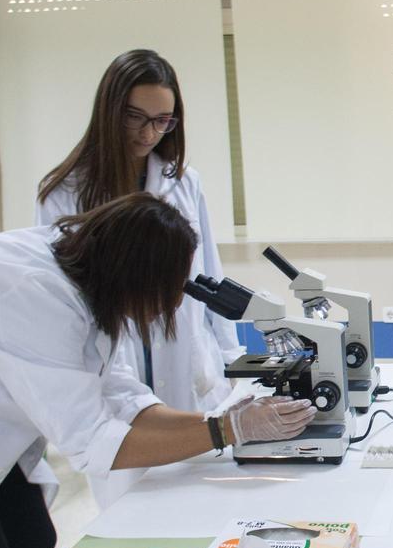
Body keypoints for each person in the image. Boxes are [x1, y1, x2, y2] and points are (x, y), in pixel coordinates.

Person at [0, 194, 315, 548]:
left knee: (32, 542)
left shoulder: (88, 273)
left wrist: (227, 423)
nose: (171, 304)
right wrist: (226, 429)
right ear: (135, 274)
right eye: (167, 290)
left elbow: (123, 398)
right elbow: (93, 443)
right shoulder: (34, 298)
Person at [36, 49, 242, 506]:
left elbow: (209, 274)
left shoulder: (183, 182)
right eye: (136, 117)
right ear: (109, 111)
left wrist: (231, 360)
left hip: (188, 365)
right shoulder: (65, 193)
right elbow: (65, 299)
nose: (149, 133)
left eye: (163, 121)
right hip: (113, 364)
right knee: (131, 513)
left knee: (200, 504)